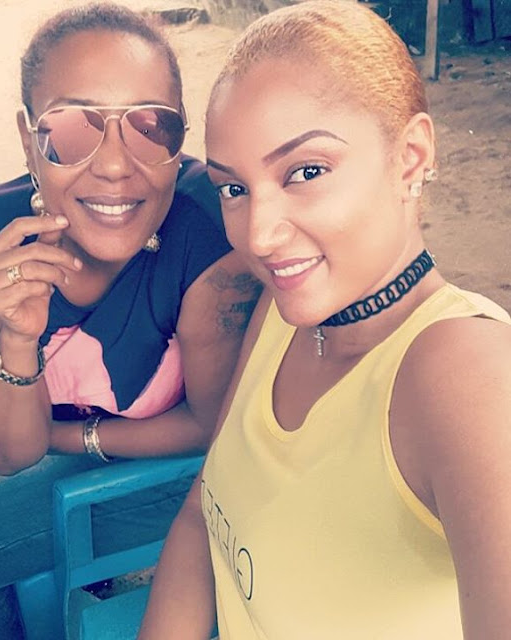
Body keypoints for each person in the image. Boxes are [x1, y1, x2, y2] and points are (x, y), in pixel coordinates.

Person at [137, 2, 511, 638]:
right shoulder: (287, 311)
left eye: (306, 172)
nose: (259, 236)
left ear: (411, 157)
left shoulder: (466, 377)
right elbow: (203, 512)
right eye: (234, 188)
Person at [0, 4, 261, 639]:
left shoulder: (208, 237)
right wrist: (18, 336)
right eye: (71, 129)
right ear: (28, 138)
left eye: (151, 127)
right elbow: (1, 449)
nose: (115, 165)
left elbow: (205, 426)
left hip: (162, 468)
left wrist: (61, 438)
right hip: (33, 439)